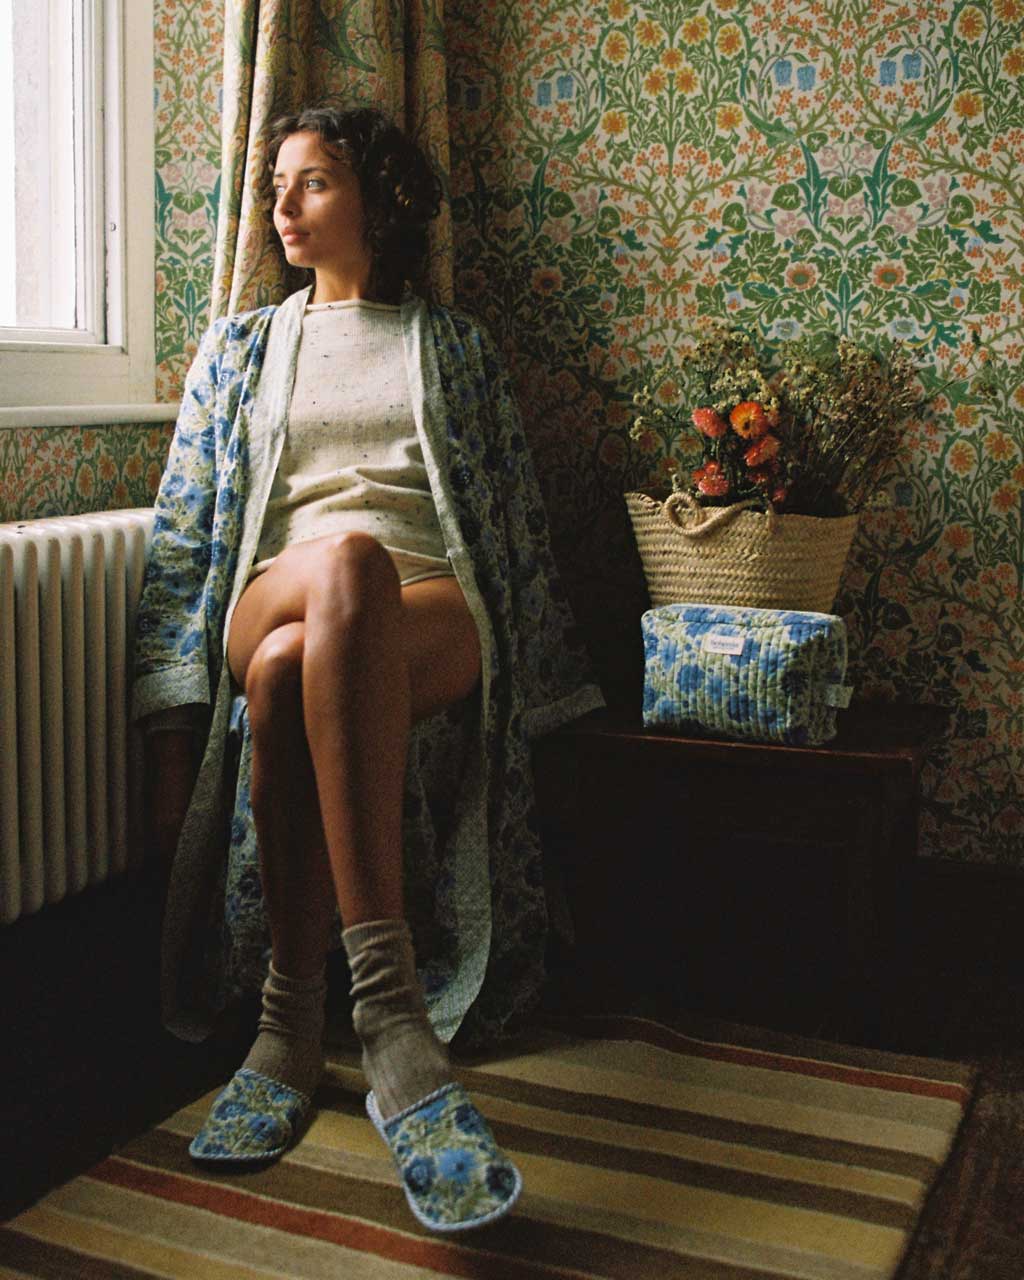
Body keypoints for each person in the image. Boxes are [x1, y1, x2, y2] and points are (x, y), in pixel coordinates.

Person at [132, 103, 603, 1233]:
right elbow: (186, 533)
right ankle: (393, 1018)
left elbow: (510, 526)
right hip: (278, 583)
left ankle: (289, 1022)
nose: (284, 206)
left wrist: (553, 719)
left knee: (296, 663)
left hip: (430, 603)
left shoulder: (454, 347)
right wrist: (165, 726)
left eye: (315, 182)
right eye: (277, 187)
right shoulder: (240, 350)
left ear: (378, 199)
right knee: (337, 566)